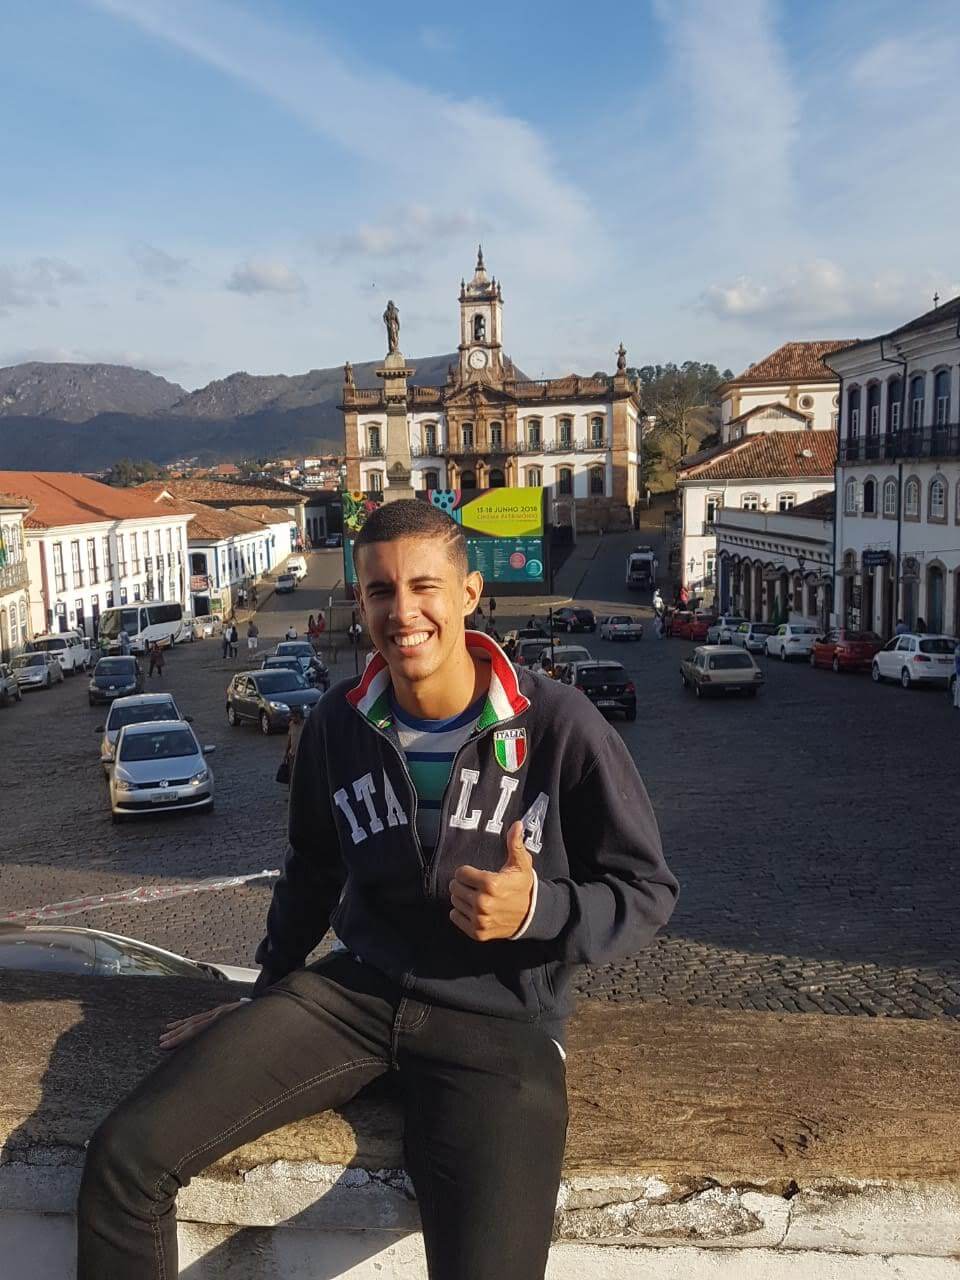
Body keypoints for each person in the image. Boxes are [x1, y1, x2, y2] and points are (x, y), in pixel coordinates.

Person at [77, 499, 677, 1280]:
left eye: (425, 587)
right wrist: (267, 993)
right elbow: (311, 868)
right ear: (359, 601)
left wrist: (539, 910)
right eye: (381, 591)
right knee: (125, 1160)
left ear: (469, 593)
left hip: (502, 1027)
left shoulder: (560, 725)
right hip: (353, 997)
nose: (403, 612)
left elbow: (646, 889)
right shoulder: (339, 722)